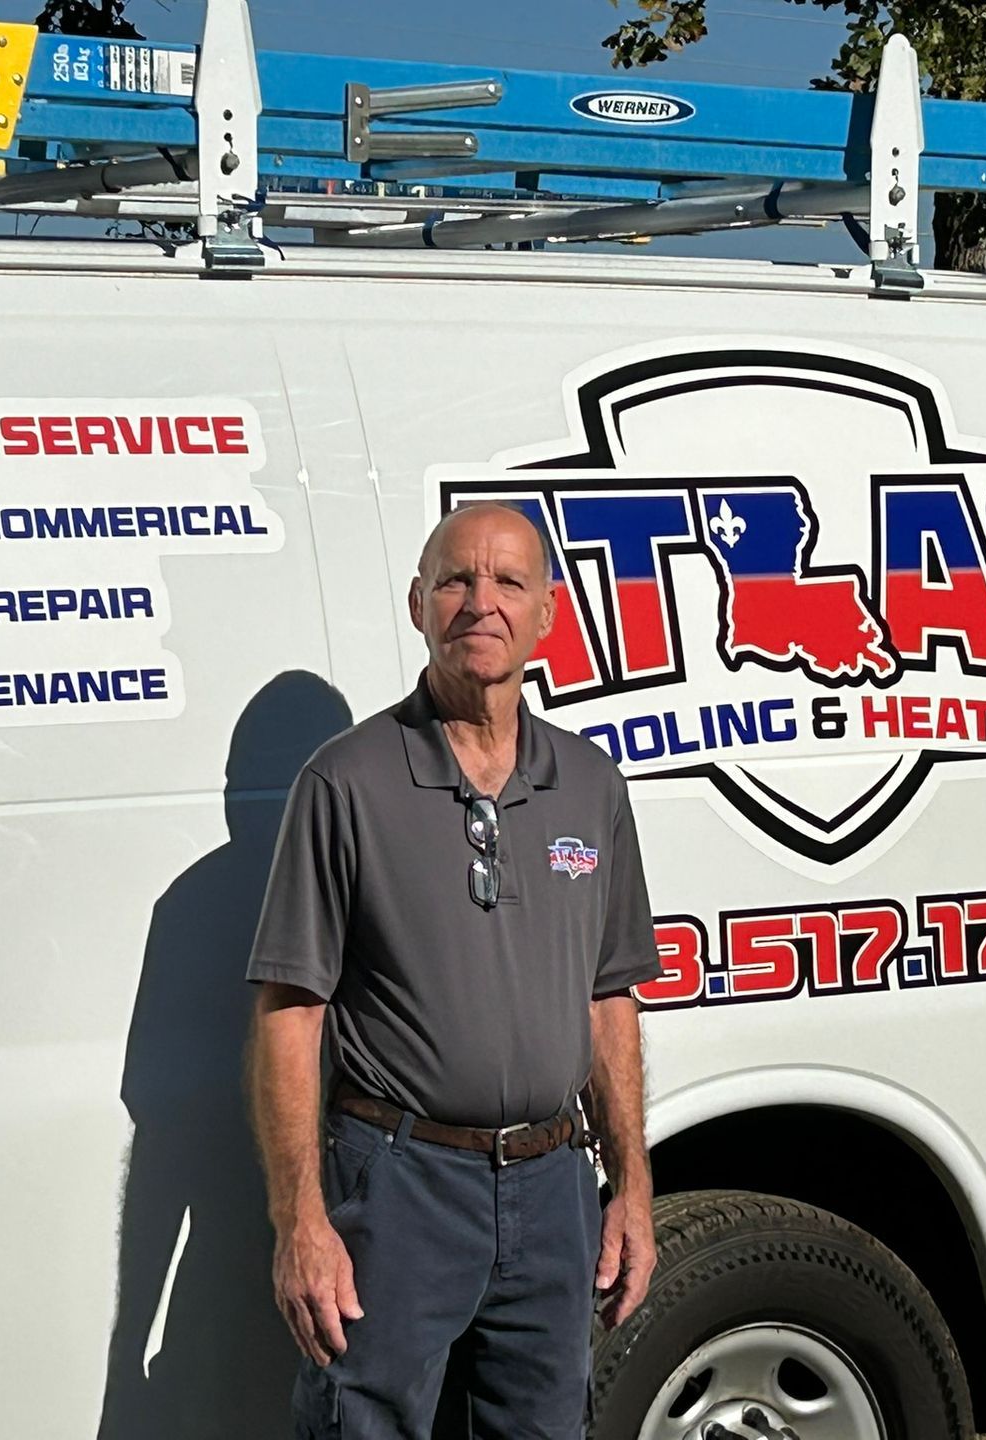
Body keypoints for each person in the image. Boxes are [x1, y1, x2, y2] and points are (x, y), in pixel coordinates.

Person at [245, 501, 663, 1438]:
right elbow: (290, 1013)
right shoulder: (345, 783)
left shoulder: (590, 785)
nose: (482, 602)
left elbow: (609, 997)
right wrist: (301, 1222)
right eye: (456, 581)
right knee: (366, 1425)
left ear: (548, 613)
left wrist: (631, 1185)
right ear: (418, 605)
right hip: (398, 1188)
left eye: (509, 582)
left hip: (556, 1187)